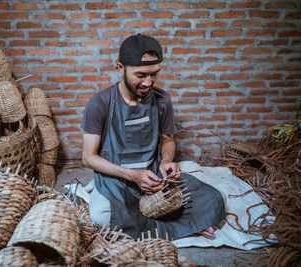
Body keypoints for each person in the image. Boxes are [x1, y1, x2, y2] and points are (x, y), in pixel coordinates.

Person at [81, 34, 225, 240]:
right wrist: (132, 176)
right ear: (120, 67)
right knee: (99, 218)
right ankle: (183, 226)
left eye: (154, 74)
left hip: (153, 179)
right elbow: (88, 157)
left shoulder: (162, 100)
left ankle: (147, 223)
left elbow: (168, 140)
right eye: (140, 75)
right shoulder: (100, 103)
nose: (148, 82)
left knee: (213, 199)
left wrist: (166, 161)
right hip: (117, 178)